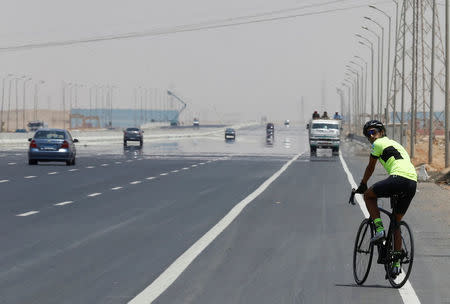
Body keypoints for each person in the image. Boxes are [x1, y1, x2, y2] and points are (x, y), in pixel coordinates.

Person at [355, 120, 417, 276]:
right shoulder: (396, 144)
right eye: (368, 134)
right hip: (412, 182)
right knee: (396, 222)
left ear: (381, 132)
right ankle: (396, 264)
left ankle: (380, 229)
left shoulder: (378, 144)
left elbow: (371, 166)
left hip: (398, 178)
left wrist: (363, 184)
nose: (371, 136)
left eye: (373, 132)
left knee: (368, 195)